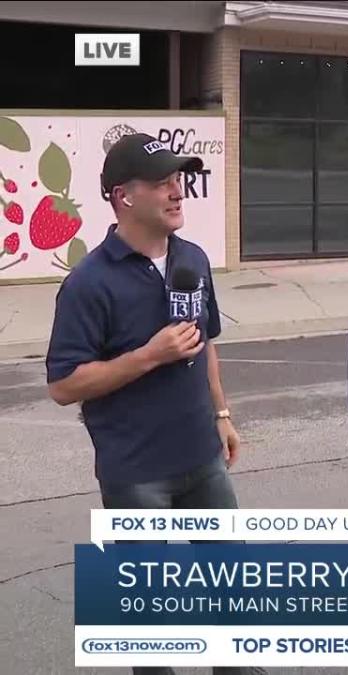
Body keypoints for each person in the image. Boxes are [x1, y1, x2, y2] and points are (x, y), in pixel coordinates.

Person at [45, 133, 261, 675]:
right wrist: (146, 355)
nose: (177, 190)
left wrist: (222, 413)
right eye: (162, 182)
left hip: (202, 457)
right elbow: (64, 383)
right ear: (124, 196)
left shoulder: (193, 259)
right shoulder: (88, 283)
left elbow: (203, 340)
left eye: (179, 180)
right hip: (136, 474)